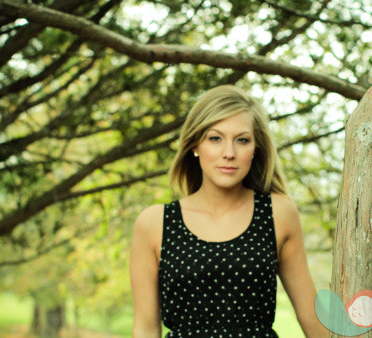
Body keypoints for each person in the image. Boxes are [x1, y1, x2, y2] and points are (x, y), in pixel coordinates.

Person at [130, 85, 328, 337]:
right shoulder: (154, 223)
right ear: (195, 145)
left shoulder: (278, 213)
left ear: (255, 149)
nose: (229, 153)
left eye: (242, 140)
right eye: (215, 138)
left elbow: (311, 316)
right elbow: (146, 328)